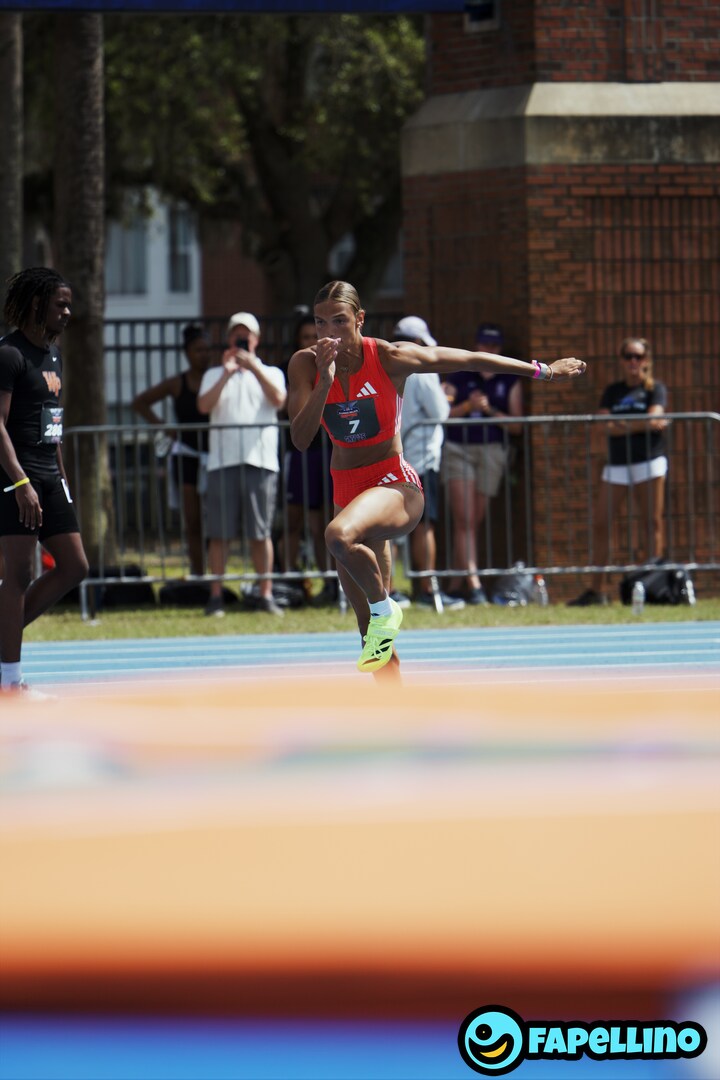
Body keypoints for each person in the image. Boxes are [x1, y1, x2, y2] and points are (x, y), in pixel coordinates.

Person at [287, 281, 585, 677]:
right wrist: (324, 384)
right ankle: (393, 698)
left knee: (338, 536)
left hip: (394, 484)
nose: (329, 333)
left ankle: (386, 608)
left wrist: (543, 371)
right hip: (348, 489)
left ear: (359, 320)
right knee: (372, 640)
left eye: (339, 321)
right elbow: (301, 438)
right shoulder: (305, 365)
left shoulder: (390, 356)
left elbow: (467, 359)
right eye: (321, 323)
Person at [0, 267, 89, 697]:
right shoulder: (8, 354)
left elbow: (52, 423)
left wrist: (62, 479)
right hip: (15, 480)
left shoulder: (54, 356)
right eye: (61, 305)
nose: (68, 312)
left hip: (50, 478)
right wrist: (21, 483)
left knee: (75, 566)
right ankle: (9, 681)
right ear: (37, 304)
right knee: (18, 576)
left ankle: (3, 637)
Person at [197, 311, 287, 617]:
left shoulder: (271, 372)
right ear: (228, 339)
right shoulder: (214, 374)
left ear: (256, 340)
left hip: (261, 462)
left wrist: (253, 368)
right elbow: (203, 405)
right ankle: (216, 596)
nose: (241, 339)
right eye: (236, 334)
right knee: (219, 533)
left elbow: (279, 400)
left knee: (260, 533)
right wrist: (227, 372)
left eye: (246, 335)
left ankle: (265, 593)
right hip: (222, 462)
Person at [567, 337, 669, 606]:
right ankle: (596, 590)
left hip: (649, 461)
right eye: (628, 356)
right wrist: (641, 424)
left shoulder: (655, 389)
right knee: (601, 523)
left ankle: (653, 586)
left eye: (638, 356)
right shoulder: (613, 391)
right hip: (617, 464)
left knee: (651, 523)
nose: (633, 361)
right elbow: (603, 425)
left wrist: (620, 424)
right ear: (621, 360)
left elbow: (652, 419)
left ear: (646, 360)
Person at [441, 323, 524, 605]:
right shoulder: (459, 374)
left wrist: (489, 410)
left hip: (492, 452)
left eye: (494, 346)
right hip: (458, 449)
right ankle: (474, 585)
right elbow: (443, 413)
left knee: (471, 523)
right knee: (464, 520)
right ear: (476, 345)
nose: (489, 350)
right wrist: (468, 407)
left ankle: (455, 585)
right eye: (484, 345)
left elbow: (517, 426)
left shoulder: (509, 380)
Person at [392, 315, 463, 611]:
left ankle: (389, 590)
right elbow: (440, 412)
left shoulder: (386, 363)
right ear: (416, 342)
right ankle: (425, 589)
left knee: (389, 527)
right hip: (420, 460)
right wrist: (447, 397)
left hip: (392, 457)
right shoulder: (422, 370)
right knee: (424, 525)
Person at [132, 323, 210, 577]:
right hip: (186, 455)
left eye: (206, 350)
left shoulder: (216, 378)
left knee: (216, 520)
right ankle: (198, 573)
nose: (203, 355)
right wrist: (164, 427)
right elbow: (140, 402)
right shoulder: (177, 383)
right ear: (187, 353)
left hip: (215, 456)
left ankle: (215, 576)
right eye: (197, 350)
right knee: (193, 521)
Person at [280, 314, 336, 605]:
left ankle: (333, 582)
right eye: (305, 337)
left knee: (326, 522)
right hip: (303, 452)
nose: (311, 343)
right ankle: (290, 581)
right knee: (296, 520)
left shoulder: (339, 364)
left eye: (314, 337)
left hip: (331, 451)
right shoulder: (296, 367)